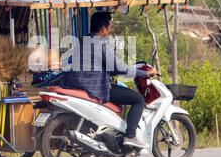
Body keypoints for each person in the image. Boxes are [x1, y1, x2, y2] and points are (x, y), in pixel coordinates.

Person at [62, 12, 158, 148]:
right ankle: (130, 136)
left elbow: (109, 66)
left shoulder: (83, 41)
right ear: (103, 29)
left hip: (79, 84)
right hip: (94, 88)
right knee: (138, 99)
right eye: (109, 27)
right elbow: (118, 67)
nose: (110, 30)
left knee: (122, 91)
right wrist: (143, 73)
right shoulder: (99, 44)